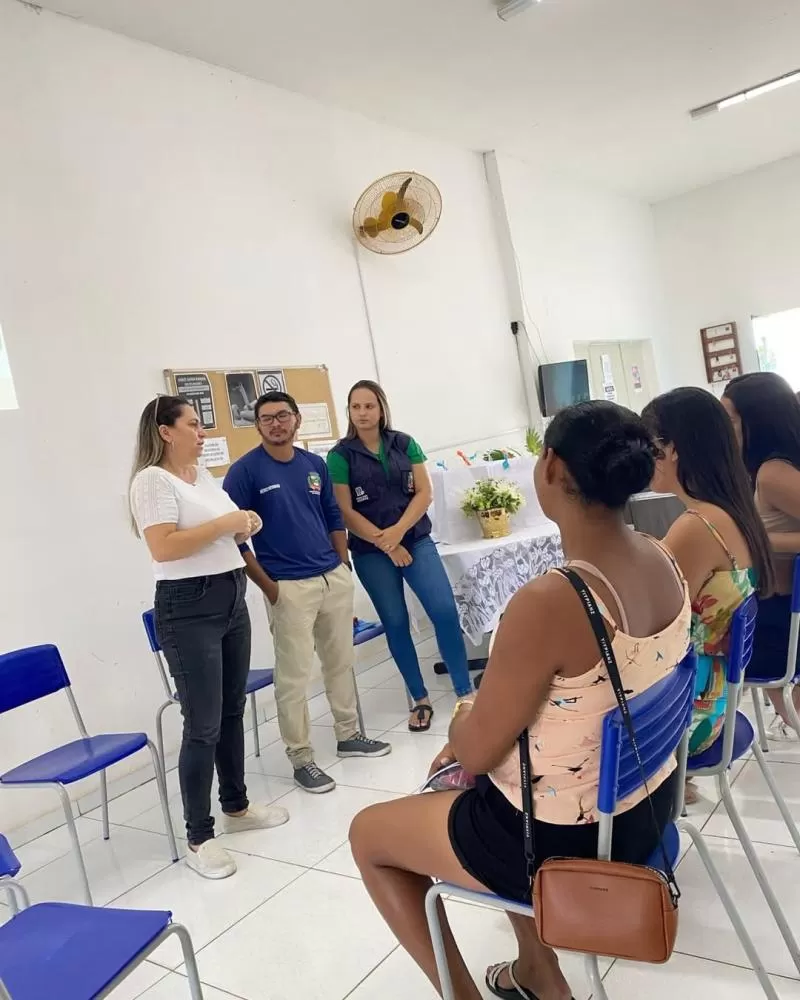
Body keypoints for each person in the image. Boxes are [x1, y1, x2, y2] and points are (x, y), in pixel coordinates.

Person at [348, 401, 691, 1000]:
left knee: (370, 834)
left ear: (552, 467)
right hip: (646, 808)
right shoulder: (662, 555)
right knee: (491, 780)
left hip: (563, 843)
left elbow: (478, 750)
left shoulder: (554, 599)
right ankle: (537, 972)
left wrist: (459, 728)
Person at [129, 395, 289, 881]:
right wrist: (227, 524)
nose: (203, 433)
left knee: (232, 708)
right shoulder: (151, 480)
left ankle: (236, 808)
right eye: (194, 425)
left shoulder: (201, 477)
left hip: (229, 593)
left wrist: (245, 525)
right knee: (202, 725)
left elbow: (222, 530)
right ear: (165, 432)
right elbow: (163, 545)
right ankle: (200, 836)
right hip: (187, 606)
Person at [223, 391, 391, 794]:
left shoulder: (314, 464)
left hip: (330, 578)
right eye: (267, 419)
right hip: (288, 587)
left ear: (296, 420)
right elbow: (234, 537)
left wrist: (340, 565)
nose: (276, 424)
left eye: (283, 416)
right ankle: (301, 758)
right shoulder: (244, 473)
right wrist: (269, 587)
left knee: (340, 661)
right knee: (294, 678)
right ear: (258, 426)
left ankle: (348, 734)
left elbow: (333, 516)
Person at [643, 387, 774, 803]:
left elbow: (647, 622)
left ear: (673, 449)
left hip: (690, 715)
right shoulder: (731, 509)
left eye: (650, 446)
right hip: (714, 698)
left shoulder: (697, 526)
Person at [327, 380, 472, 732]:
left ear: (381, 409)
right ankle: (420, 699)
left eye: (369, 406)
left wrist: (398, 534)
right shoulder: (340, 456)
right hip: (370, 550)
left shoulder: (404, 444)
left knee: (444, 611)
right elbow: (345, 512)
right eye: (355, 407)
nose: (362, 413)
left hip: (416, 540)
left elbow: (424, 493)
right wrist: (387, 544)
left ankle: (465, 692)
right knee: (395, 621)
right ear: (349, 411)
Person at [723, 372, 800, 737]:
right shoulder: (765, 469)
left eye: (731, 420)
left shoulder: (773, 473)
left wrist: (759, 539)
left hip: (783, 620)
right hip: (777, 609)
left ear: (757, 422)